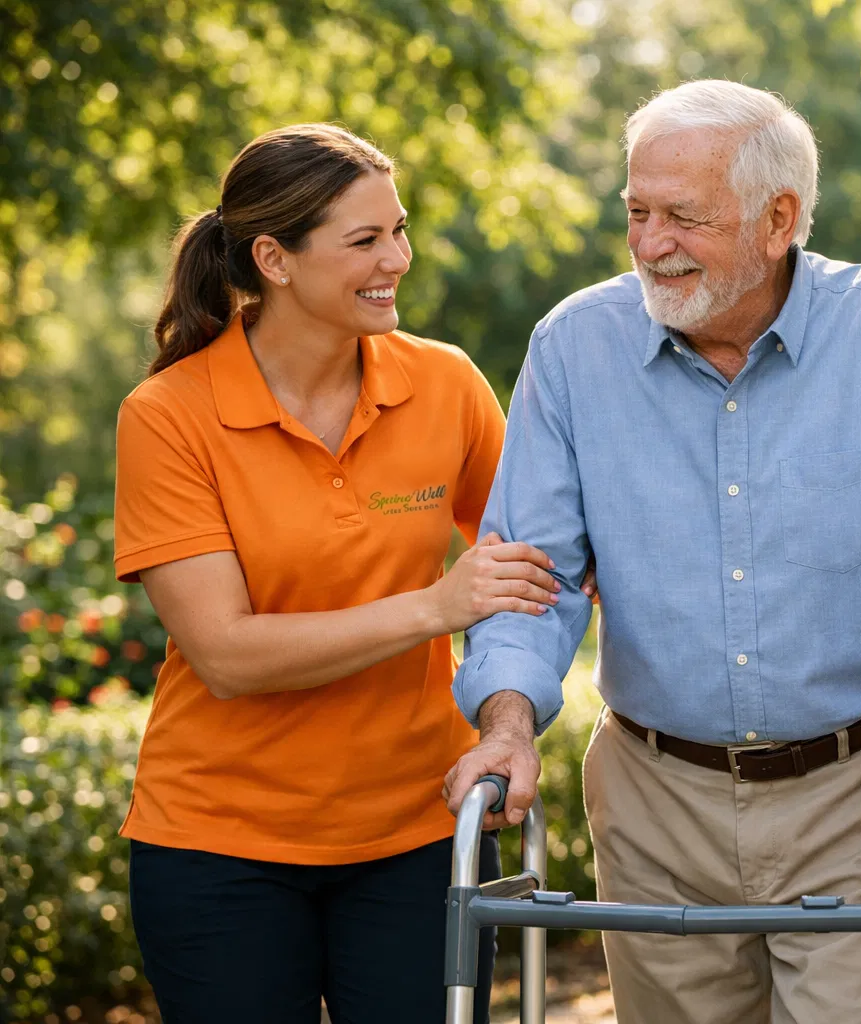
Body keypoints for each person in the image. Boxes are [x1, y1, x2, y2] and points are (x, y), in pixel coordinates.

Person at [442, 80, 861, 1023]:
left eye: (685, 217)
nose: (650, 243)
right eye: (637, 212)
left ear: (780, 220)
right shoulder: (574, 347)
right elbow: (537, 577)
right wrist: (508, 724)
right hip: (654, 797)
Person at [114, 123, 561, 1024]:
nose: (397, 258)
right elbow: (227, 656)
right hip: (219, 849)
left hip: (418, 834)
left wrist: (510, 715)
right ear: (274, 259)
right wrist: (433, 606)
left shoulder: (445, 383)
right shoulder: (168, 416)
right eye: (364, 240)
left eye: (399, 230)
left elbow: (534, 567)